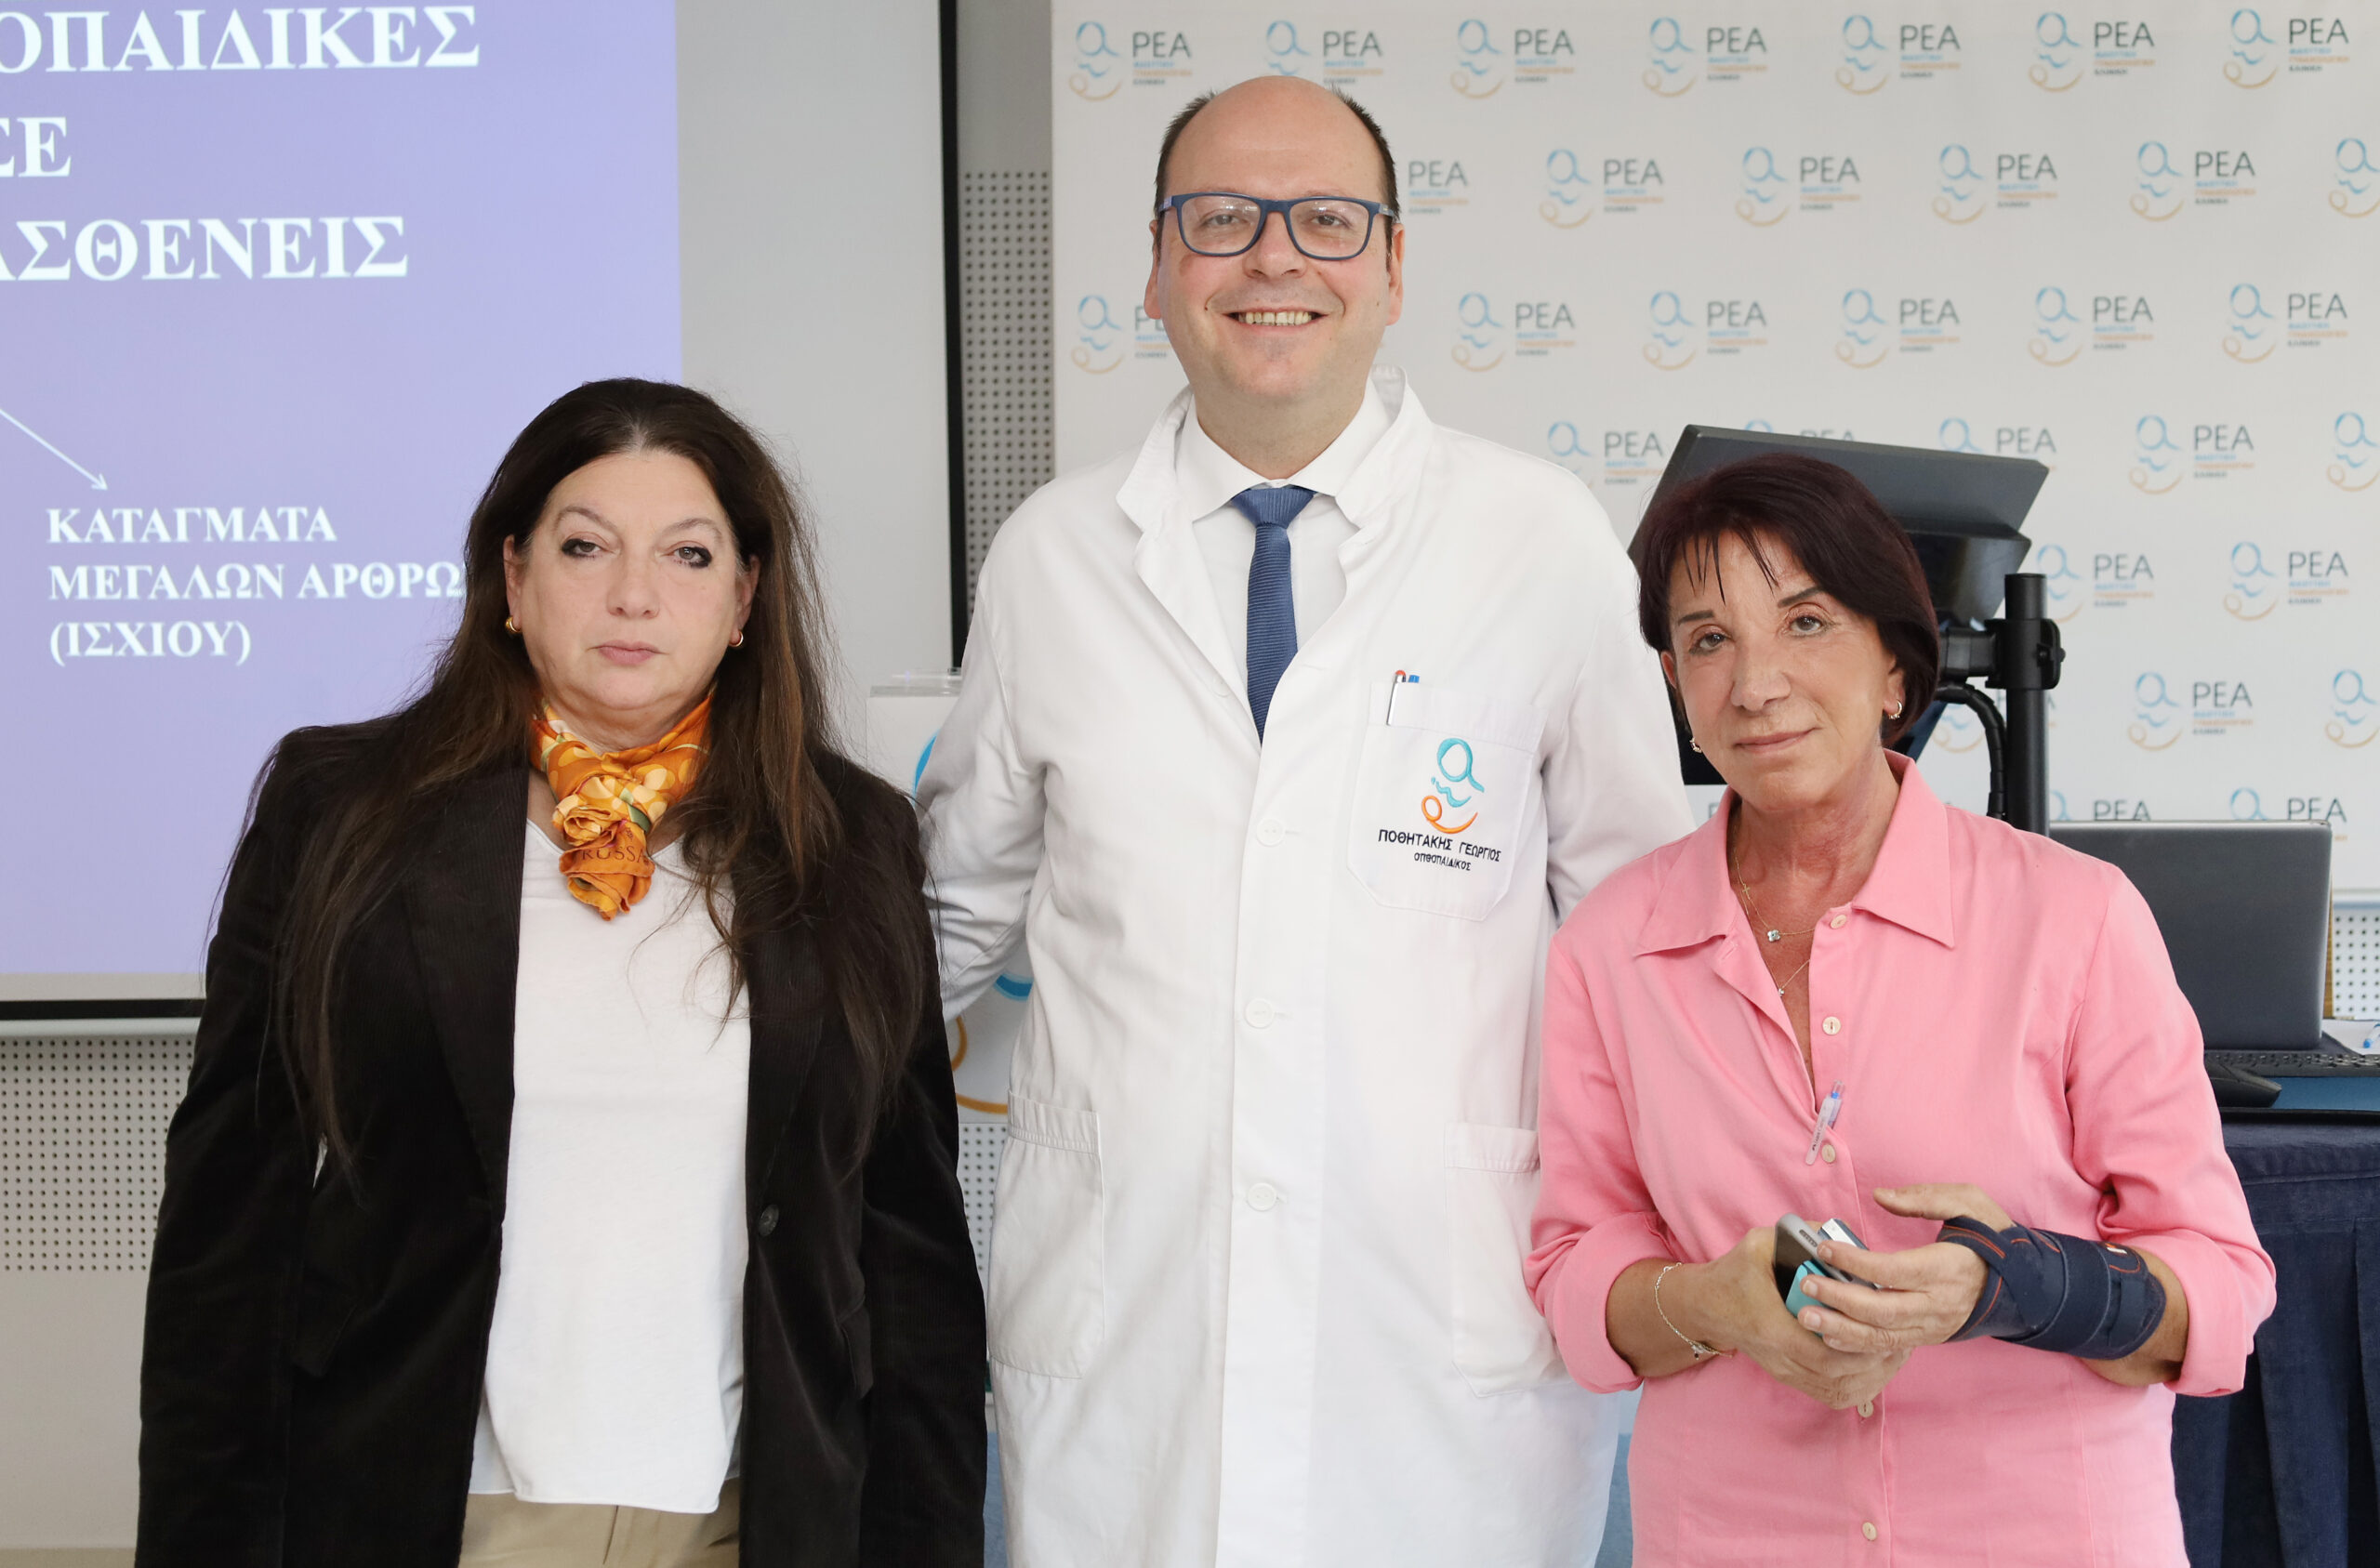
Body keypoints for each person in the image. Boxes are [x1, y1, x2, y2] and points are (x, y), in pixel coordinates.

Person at [920, 77, 1689, 1566]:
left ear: (1394, 268)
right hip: (1130, 1346)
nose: (1274, 256)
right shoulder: (1052, 558)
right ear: (1157, 269)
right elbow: (945, 923)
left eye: (1328, 220)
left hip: (1439, 1352)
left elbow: (1643, 937)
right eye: (1220, 218)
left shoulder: (1537, 540)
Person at [138, 379, 985, 1568]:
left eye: (688, 554)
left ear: (745, 598)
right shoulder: (344, 811)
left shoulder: (847, 840)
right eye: (586, 546)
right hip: (427, 1510)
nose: (634, 593)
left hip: (750, 1516)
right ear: (513, 576)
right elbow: (232, 1211)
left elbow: (908, 1246)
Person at [1527, 453, 2275, 1563]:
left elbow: (2217, 1285)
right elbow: (1575, 1268)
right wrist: (1714, 1304)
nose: (1756, 683)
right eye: (1709, 640)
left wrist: (2019, 1286)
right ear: (1675, 685)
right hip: (1734, 1532)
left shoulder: (2073, 918)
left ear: (1893, 664)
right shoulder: (1609, 945)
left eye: (1805, 622)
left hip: (2043, 1534)